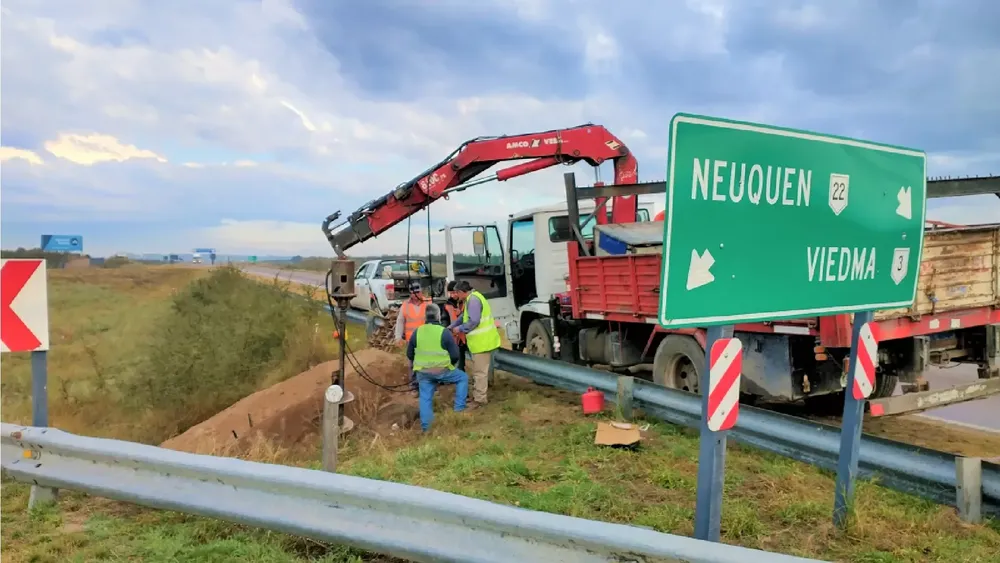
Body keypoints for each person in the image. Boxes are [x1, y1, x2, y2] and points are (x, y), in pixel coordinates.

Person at [406, 305, 468, 432]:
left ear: (425, 317)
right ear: (438, 316)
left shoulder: (417, 332)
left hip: (423, 372)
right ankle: (459, 410)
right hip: (442, 370)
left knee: (425, 398)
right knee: (463, 378)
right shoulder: (443, 332)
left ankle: (426, 428)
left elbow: (409, 354)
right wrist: (448, 365)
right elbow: (455, 355)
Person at [448, 280, 502, 408]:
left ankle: (479, 400)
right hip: (480, 342)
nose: (456, 296)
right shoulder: (472, 298)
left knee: (480, 373)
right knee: (479, 371)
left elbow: (474, 321)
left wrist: (459, 329)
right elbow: (463, 317)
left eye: (457, 293)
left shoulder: (473, 300)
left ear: (462, 292)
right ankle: (478, 396)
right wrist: (451, 326)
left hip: (482, 342)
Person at [395, 282, 430, 347]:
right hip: (411, 341)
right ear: (410, 293)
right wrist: (398, 337)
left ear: (421, 292)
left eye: (418, 292)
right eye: (414, 293)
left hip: (426, 340)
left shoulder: (428, 303)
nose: (416, 294)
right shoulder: (405, 305)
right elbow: (400, 322)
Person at [442, 280, 468, 372]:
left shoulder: (464, 302)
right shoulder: (448, 305)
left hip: (464, 335)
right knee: (456, 358)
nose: (453, 295)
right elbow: (449, 321)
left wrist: (460, 312)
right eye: (451, 293)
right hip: (455, 336)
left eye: (454, 293)